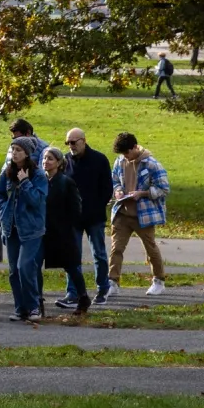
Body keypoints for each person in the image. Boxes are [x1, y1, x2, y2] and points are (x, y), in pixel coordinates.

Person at [109, 131, 170, 295]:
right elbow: (114, 179)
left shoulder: (151, 164)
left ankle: (159, 280)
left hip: (143, 215)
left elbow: (163, 189)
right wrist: (118, 191)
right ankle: (112, 282)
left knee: (150, 248)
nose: (125, 156)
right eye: (122, 154)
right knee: (116, 249)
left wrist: (142, 193)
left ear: (135, 147)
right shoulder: (120, 161)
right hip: (123, 213)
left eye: (127, 152)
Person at [0, 137, 48, 321]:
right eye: (13, 149)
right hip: (11, 228)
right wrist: (3, 211)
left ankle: (34, 308)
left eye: (18, 150)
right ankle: (20, 309)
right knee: (13, 271)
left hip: (31, 229)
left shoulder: (38, 175)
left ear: (27, 153)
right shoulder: (8, 173)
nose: (14, 153)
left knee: (25, 267)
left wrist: (25, 182)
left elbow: (38, 201)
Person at [59, 128, 114, 308]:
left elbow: (107, 188)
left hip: (94, 216)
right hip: (73, 218)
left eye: (74, 142)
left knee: (99, 253)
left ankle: (103, 288)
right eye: (68, 143)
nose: (71, 146)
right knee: (72, 255)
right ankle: (73, 292)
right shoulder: (65, 161)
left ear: (83, 140)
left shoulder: (99, 159)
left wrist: (96, 206)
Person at [41, 146, 91, 315]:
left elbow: (76, 208)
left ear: (59, 162)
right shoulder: (41, 180)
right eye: (44, 158)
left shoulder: (65, 182)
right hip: (44, 231)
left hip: (62, 231)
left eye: (50, 159)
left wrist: (70, 226)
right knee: (34, 264)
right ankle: (37, 300)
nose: (46, 162)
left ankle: (82, 297)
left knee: (71, 266)